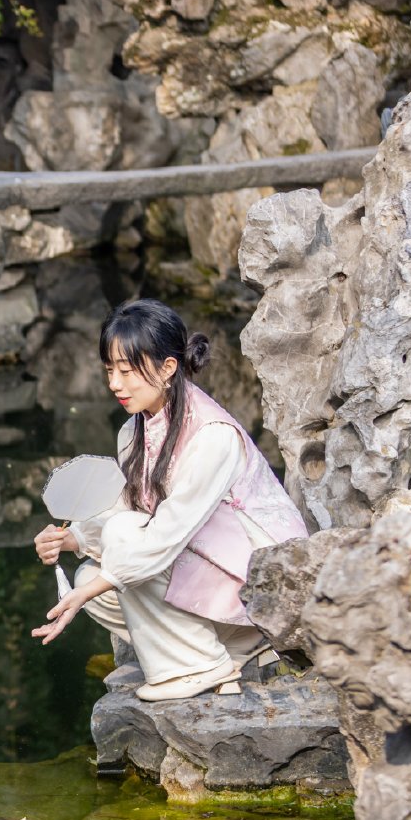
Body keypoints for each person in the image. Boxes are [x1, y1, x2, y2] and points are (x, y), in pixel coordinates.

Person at [29, 299, 310, 701]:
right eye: (109, 370)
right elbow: (129, 506)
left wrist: (85, 594)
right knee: (91, 577)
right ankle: (220, 649)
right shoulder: (134, 431)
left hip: (261, 578)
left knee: (115, 554)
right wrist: (72, 539)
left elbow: (164, 533)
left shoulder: (213, 435)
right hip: (207, 564)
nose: (115, 384)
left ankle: (201, 664)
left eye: (127, 371)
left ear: (167, 368)